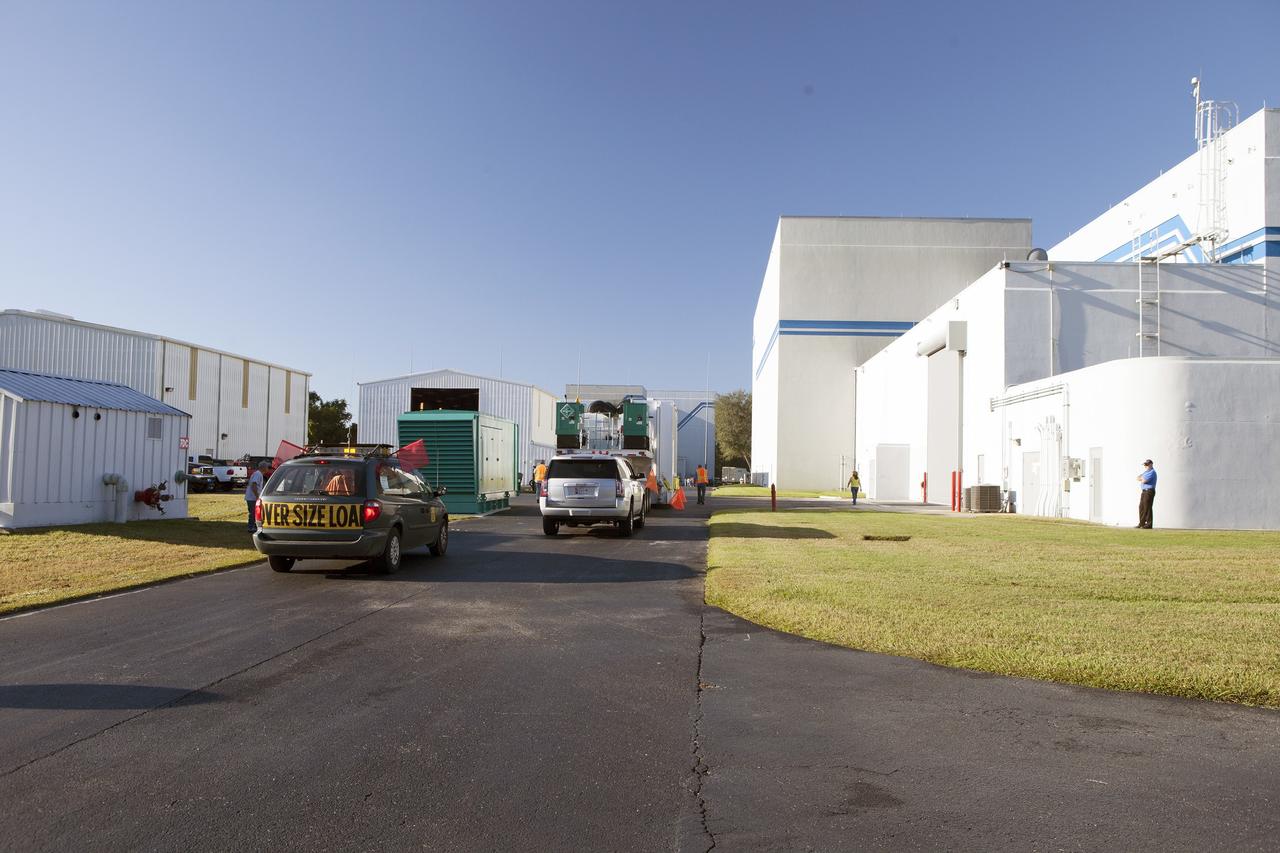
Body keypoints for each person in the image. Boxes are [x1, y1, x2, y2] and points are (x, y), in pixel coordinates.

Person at [245, 460, 269, 532]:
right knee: (253, 513)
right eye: (267, 467)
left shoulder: (258, 474)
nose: (268, 468)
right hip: (252, 498)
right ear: (263, 467)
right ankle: (250, 527)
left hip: (252, 497)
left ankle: (254, 526)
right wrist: (257, 496)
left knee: (255, 512)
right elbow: (254, 485)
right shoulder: (258, 474)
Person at [1136, 459, 1157, 529]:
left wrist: (1142, 478)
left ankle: (1149, 524)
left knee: (1147, 507)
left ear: (1151, 464)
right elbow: (1137, 478)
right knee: (1141, 507)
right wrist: (1142, 478)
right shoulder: (1146, 472)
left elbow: (1144, 481)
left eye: (1147, 464)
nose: (1145, 466)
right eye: (1145, 465)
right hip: (1144, 491)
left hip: (1149, 491)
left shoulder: (1152, 472)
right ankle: (1142, 523)